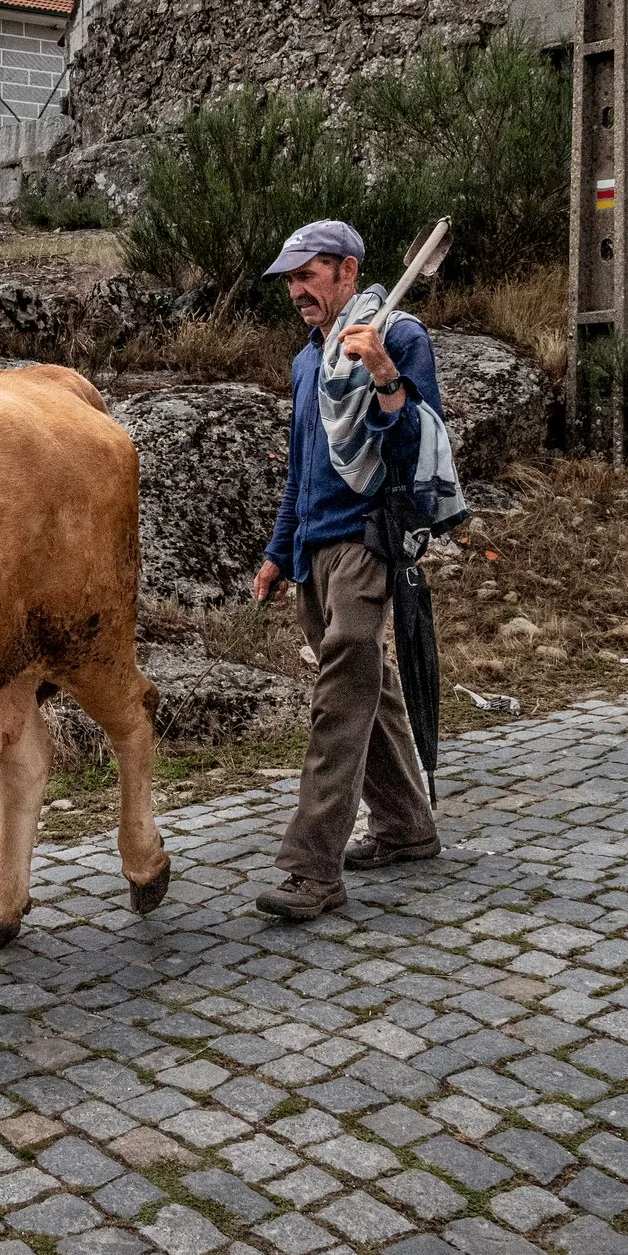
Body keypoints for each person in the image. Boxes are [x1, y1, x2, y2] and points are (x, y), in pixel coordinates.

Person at [250, 220, 457, 921]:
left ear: (346, 269)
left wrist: (383, 374)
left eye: (308, 275)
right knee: (370, 686)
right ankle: (406, 826)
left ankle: (312, 869)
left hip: (370, 543)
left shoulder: (399, 336)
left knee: (340, 696)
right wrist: (281, 553)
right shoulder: (309, 360)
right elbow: (300, 474)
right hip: (315, 550)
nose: (297, 291)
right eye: (290, 280)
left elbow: (419, 448)